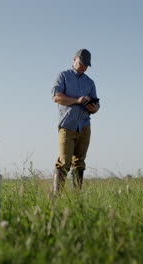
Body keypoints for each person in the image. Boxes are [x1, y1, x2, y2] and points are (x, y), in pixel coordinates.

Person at [51, 48, 100, 192]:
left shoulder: (90, 82)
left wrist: (93, 107)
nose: (84, 67)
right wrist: (77, 100)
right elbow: (56, 97)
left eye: (86, 65)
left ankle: (77, 197)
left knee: (80, 163)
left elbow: (97, 107)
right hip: (67, 126)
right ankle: (56, 197)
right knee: (65, 162)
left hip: (84, 126)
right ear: (74, 59)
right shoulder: (63, 76)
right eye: (82, 63)